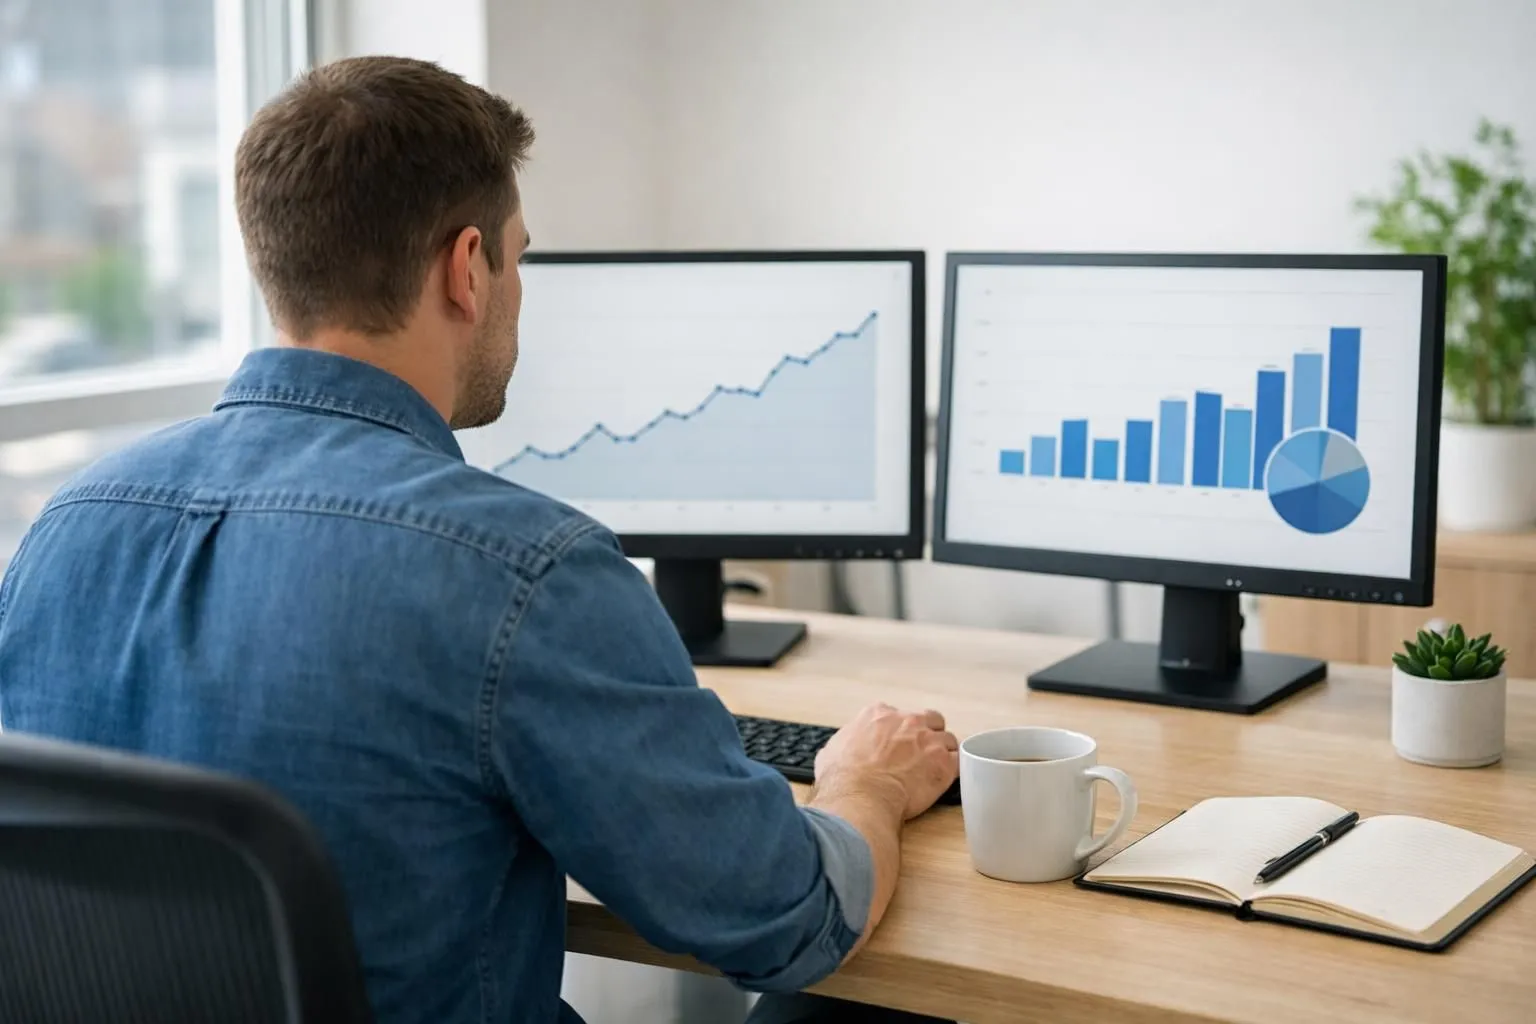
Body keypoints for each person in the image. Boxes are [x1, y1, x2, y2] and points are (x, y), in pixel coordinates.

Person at [0, 56, 958, 1024]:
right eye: (518, 256)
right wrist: (865, 784)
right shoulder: (520, 567)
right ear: (467, 268)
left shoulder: (66, 526)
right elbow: (783, 920)